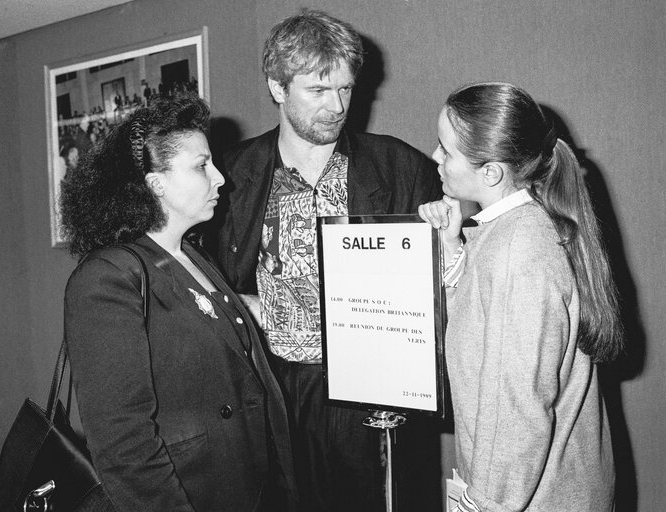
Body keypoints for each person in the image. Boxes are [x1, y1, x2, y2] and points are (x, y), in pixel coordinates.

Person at [213, 9, 442, 512]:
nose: (336, 106)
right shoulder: (229, 177)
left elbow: (446, 281)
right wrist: (236, 305)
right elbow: (198, 278)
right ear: (277, 88)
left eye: (345, 89)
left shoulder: (401, 167)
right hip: (271, 392)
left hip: (370, 397)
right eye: (318, 91)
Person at [59, 94, 296, 512]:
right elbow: (124, 444)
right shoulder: (108, 277)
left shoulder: (195, 255)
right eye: (202, 165)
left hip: (244, 481)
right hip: (188, 493)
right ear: (157, 184)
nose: (221, 177)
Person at [418, 82, 624, 511]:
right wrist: (453, 245)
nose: (435, 157)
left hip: (533, 498)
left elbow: (516, 411)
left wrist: (484, 504)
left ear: (491, 172)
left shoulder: (519, 248)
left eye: (446, 149)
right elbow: (481, 330)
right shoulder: (507, 229)